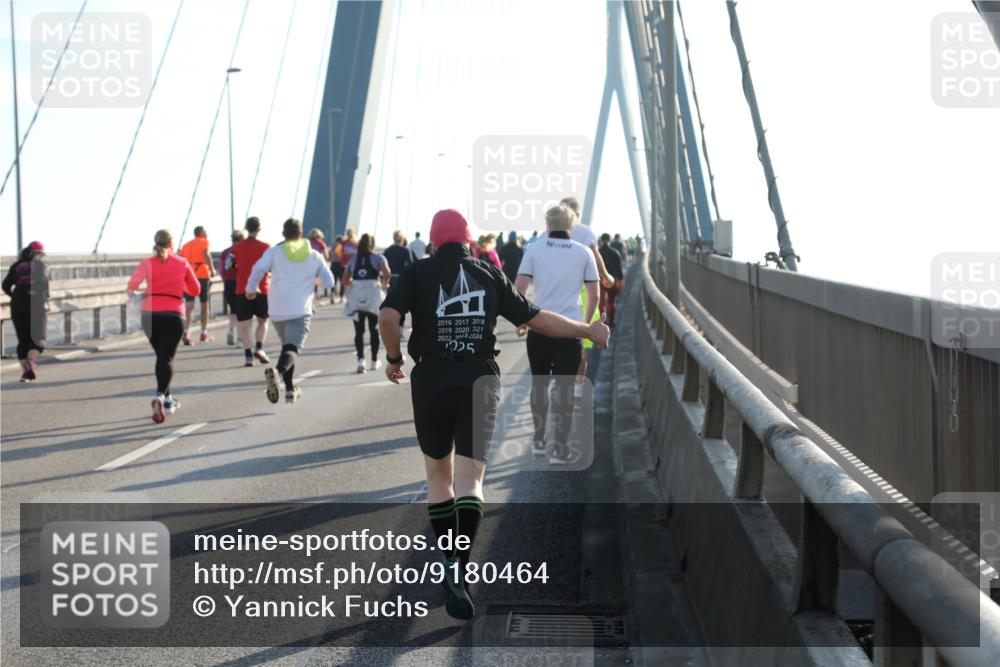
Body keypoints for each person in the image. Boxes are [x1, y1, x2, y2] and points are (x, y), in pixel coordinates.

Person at [378, 208, 610, 621]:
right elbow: (537, 319)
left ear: (433, 241)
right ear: (469, 241)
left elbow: (387, 317)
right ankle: (460, 566)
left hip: (430, 377)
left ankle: (448, 560)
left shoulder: (416, 272)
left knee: (438, 477)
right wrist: (587, 330)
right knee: (472, 480)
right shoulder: (487, 273)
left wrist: (394, 357)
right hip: (478, 377)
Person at [515, 204, 599, 463]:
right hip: (569, 330)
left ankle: (539, 439)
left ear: (548, 225)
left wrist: (522, 320)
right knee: (564, 390)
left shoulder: (533, 250)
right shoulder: (583, 252)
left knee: (539, 384)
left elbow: (518, 288)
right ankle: (559, 449)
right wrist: (584, 326)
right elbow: (594, 294)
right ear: (572, 226)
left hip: (540, 328)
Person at [246, 219, 334, 404]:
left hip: (277, 309)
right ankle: (277, 373)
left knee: (287, 347)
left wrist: (251, 289)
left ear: (283, 234)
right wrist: (316, 281)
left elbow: (258, 268)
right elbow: (330, 282)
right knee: (292, 349)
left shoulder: (274, 252)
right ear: (301, 234)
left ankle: (290, 390)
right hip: (300, 310)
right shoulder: (314, 255)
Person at [127, 230, 200, 422]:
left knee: (161, 358)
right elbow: (196, 289)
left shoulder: (147, 263)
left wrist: (148, 291)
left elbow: (131, 286)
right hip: (173, 314)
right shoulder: (182, 262)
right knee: (166, 359)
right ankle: (160, 395)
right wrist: (177, 286)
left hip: (149, 315)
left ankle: (167, 399)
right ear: (171, 243)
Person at [546, 196, 613, 399]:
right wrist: (605, 276)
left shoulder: (548, 232)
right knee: (583, 338)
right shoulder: (585, 231)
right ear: (578, 213)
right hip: (583, 289)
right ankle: (577, 385)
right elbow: (595, 255)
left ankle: (557, 379)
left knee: (555, 335)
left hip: (556, 290)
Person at [3, 241, 49, 382]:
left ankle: (26, 373)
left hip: (17, 304)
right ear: (37, 253)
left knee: (23, 340)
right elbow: (44, 287)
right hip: (35, 305)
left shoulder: (16, 266)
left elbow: (5, 285)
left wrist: (15, 296)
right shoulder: (40, 266)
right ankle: (30, 365)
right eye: (41, 254)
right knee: (38, 340)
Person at [344, 233, 390, 373]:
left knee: (359, 331)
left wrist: (355, 283)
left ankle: (360, 361)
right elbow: (386, 273)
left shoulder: (354, 259)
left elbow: (345, 279)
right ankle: (374, 361)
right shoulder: (378, 258)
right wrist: (384, 285)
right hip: (373, 295)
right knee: (374, 329)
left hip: (357, 294)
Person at [231, 217, 272, 367]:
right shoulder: (267, 247)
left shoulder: (236, 248)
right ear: (259, 229)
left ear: (246, 228)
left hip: (242, 289)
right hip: (262, 289)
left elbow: (229, 265)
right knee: (263, 321)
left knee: (244, 325)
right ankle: (259, 348)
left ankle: (248, 357)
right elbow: (271, 267)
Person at [178, 226, 216, 345]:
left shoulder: (186, 245)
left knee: (189, 305)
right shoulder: (205, 242)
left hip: (188, 276)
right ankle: (203, 333)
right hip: (202, 275)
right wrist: (212, 269)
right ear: (201, 233)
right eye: (205, 232)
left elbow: (180, 259)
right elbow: (206, 254)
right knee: (204, 305)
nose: (207, 234)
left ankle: (187, 331)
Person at [218, 229, 246, 346]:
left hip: (228, 283)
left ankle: (230, 330)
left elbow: (222, 269)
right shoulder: (241, 250)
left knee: (233, 310)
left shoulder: (225, 252)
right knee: (241, 312)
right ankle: (240, 339)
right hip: (239, 283)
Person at [383, 230, 414, 332]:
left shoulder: (387, 250)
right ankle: (400, 328)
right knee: (402, 304)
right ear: (402, 238)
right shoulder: (405, 251)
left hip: (390, 279)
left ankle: (391, 327)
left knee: (390, 303)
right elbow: (410, 265)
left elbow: (383, 266)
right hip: (401, 278)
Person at [598, 233, 625, 329]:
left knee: (601, 302)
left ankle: (603, 322)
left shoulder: (598, 253)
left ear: (601, 240)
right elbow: (619, 269)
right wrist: (621, 280)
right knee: (611, 301)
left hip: (600, 280)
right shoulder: (616, 253)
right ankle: (612, 321)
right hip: (613, 280)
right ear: (610, 240)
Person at [329, 234, 345, 304]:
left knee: (333, 281)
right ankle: (341, 297)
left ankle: (332, 295)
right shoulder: (342, 246)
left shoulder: (332, 247)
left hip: (333, 265)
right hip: (341, 265)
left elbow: (329, 255)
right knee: (342, 281)